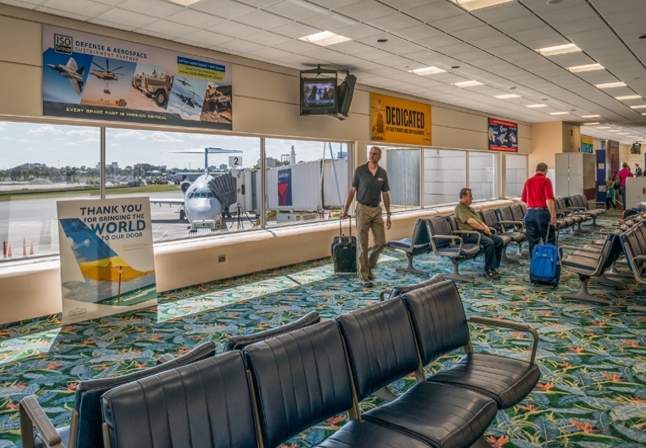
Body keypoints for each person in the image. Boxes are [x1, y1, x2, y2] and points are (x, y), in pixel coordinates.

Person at [342, 146, 391, 287]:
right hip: (362, 209)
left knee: (381, 242)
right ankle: (364, 277)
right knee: (362, 244)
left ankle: (368, 265)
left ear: (379, 157)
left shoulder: (382, 173)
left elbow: (385, 194)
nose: (372, 155)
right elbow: (352, 191)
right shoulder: (360, 171)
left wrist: (388, 214)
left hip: (376, 210)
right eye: (370, 153)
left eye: (375, 154)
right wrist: (345, 210)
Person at [454, 188, 504, 280]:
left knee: (498, 240)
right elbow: (470, 222)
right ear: (463, 197)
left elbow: (480, 221)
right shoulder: (459, 208)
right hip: (469, 235)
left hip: (478, 233)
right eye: (470, 196)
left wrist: (486, 227)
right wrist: (482, 228)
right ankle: (487, 270)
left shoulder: (470, 209)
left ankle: (493, 267)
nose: (472, 198)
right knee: (489, 242)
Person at [521, 162, 557, 258]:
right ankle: (549, 261)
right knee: (548, 238)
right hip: (542, 213)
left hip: (529, 214)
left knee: (532, 241)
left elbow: (525, 201)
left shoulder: (528, 181)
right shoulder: (546, 181)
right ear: (545, 171)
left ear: (536, 170)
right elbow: (549, 200)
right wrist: (553, 216)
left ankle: (535, 262)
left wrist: (531, 209)